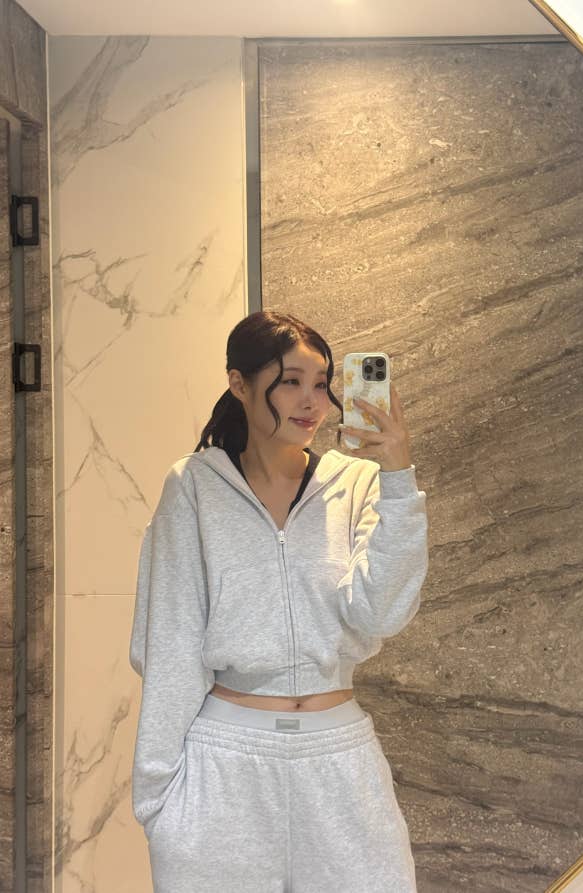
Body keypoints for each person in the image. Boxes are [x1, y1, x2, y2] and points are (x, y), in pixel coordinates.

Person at [129, 310, 429, 892]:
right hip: (224, 762)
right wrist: (158, 800)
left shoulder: (358, 484)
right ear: (239, 384)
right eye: (290, 381)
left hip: (339, 759)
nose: (311, 402)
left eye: (321, 383)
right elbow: (171, 643)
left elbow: (381, 613)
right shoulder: (195, 487)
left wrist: (397, 476)